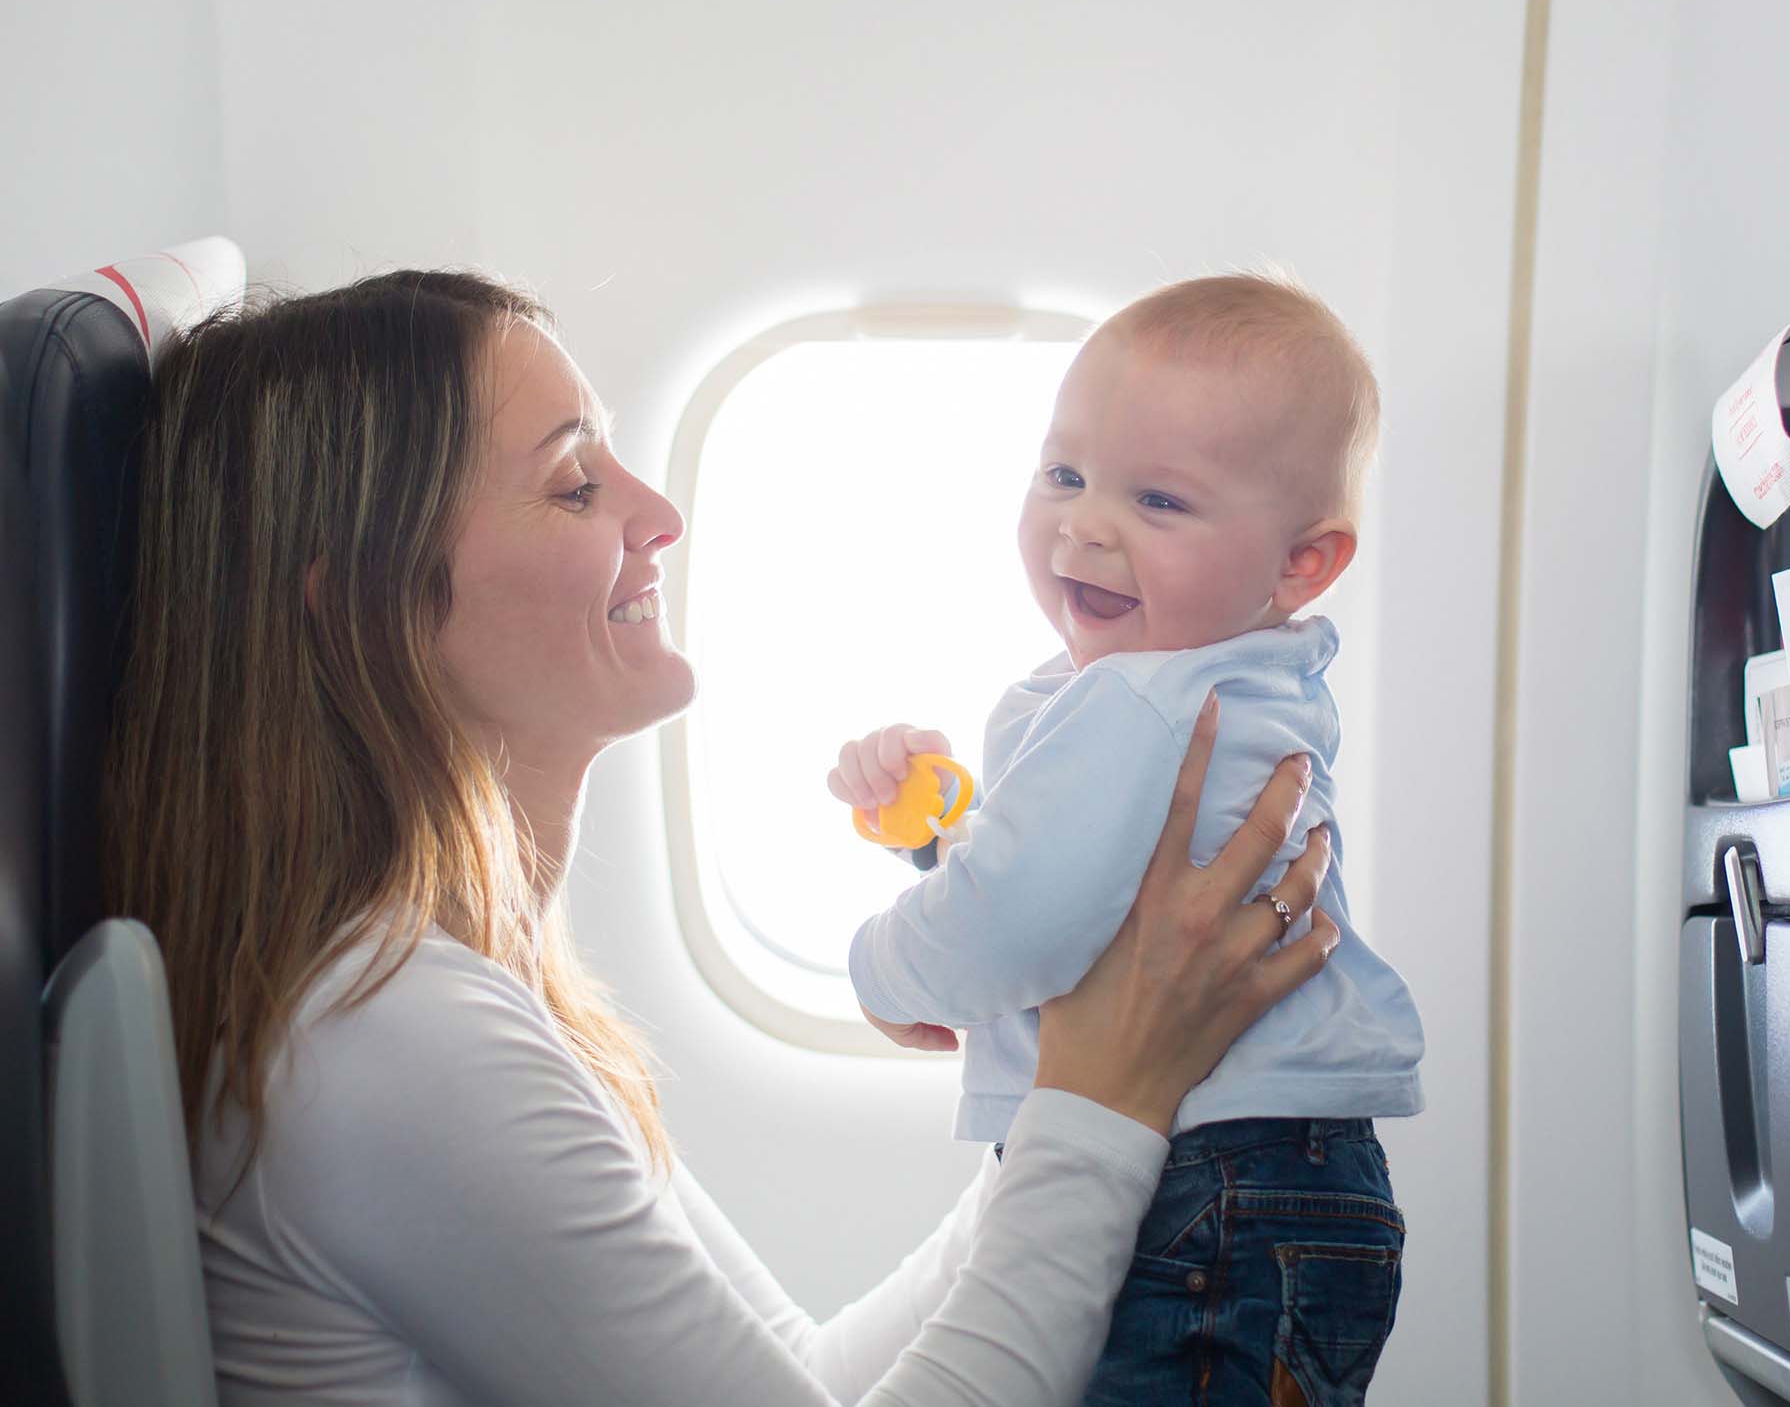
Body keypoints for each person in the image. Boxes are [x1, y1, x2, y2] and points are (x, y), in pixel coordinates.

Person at [101, 269, 1341, 1406]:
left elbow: (804, 1375)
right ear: (367, 603)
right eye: (574, 482)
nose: (656, 514)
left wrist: (1099, 1075)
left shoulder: (475, 990)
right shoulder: (386, 1038)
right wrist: (1100, 1097)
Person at [831, 273, 1425, 1402]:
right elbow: (1083, 887)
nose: (1083, 522)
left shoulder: (1134, 702)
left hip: (1201, 1184)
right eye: (1063, 473)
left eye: (1157, 502)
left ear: (1300, 563)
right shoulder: (1233, 680)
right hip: (1277, 1180)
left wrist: (881, 969)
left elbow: (1021, 923)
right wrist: (938, 835)